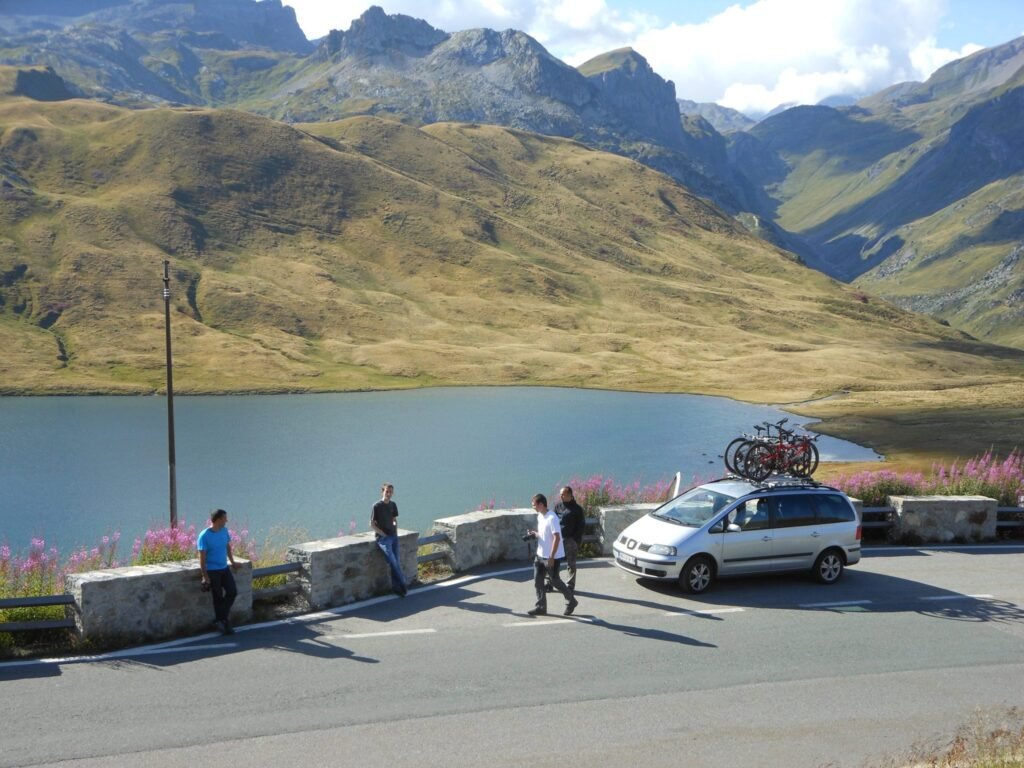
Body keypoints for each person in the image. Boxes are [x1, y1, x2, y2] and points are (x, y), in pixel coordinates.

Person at [526, 493, 578, 617]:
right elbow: (544, 534)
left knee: (555, 581)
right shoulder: (540, 516)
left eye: (534, 505)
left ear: (541, 504)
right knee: (538, 581)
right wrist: (535, 534)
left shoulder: (552, 518)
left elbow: (557, 538)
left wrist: (551, 557)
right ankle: (541, 607)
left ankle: (571, 601)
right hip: (540, 555)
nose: (533, 507)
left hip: (551, 556)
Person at [197, 508, 239, 635]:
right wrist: (205, 576)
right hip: (212, 571)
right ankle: (224, 622)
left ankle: (220, 619)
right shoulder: (204, 536)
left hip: (224, 568)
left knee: (232, 592)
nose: (227, 520)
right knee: (218, 597)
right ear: (219, 519)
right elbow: (202, 558)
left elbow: (227, 547)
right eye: (225, 518)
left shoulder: (224, 531)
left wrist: (232, 562)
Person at [371, 483, 408, 597]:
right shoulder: (376, 506)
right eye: (387, 491)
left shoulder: (393, 505)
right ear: (382, 491)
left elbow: (394, 519)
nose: (388, 494)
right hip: (383, 539)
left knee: (395, 562)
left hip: (393, 537)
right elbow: (372, 524)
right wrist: (382, 534)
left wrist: (395, 530)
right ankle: (403, 583)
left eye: (390, 492)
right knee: (393, 562)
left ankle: (397, 588)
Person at [553, 486, 586, 596]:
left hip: (570, 540)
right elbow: (552, 521)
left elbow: (581, 526)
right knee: (553, 561)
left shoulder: (577, 509)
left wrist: (575, 540)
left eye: (563, 494)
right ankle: (551, 582)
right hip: (557, 539)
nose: (561, 496)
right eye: (560, 494)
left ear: (570, 495)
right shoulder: (557, 507)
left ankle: (570, 585)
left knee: (571, 563)